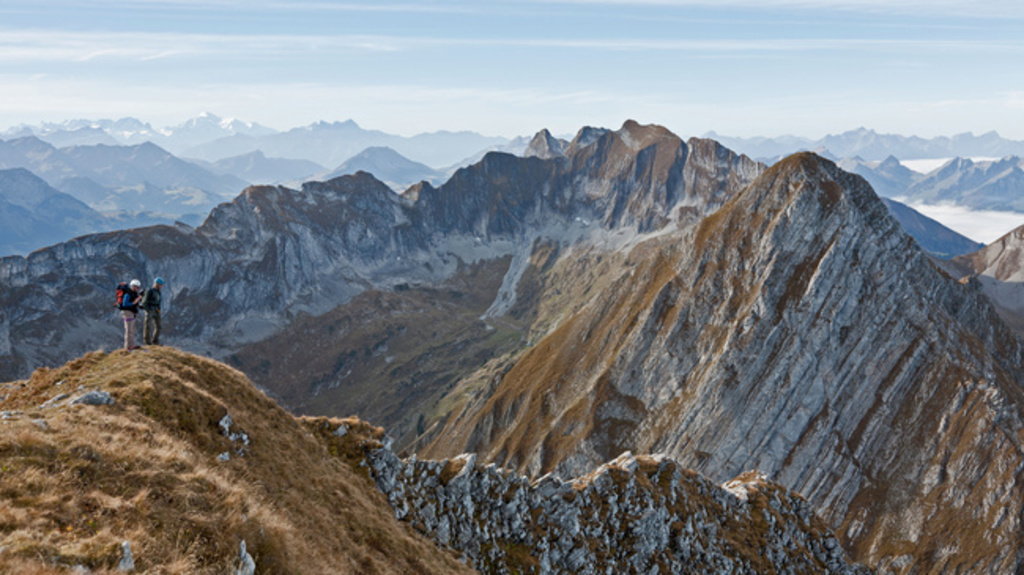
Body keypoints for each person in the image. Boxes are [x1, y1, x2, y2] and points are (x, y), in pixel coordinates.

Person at [140, 277, 165, 346]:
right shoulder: (150, 291)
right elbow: (144, 301)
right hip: (150, 310)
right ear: (157, 284)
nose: (161, 287)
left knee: (159, 326)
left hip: (156, 310)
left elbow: (158, 302)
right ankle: (147, 342)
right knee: (148, 325)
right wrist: (148, 310)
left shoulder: (158, 292)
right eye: (161, 285)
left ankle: (155, 341)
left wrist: (158, 310)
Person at [120, 279, 143, 350]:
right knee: (129, 329)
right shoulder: (128, 294)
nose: (137, 289)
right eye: (137, 287)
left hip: (131, 313)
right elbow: (125, 304)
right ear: (133, 286)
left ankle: (131, 345)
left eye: (138, 288)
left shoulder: (133, 294)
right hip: (127, 313)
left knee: (131, 329)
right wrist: (134, 302)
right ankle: (128, 346)